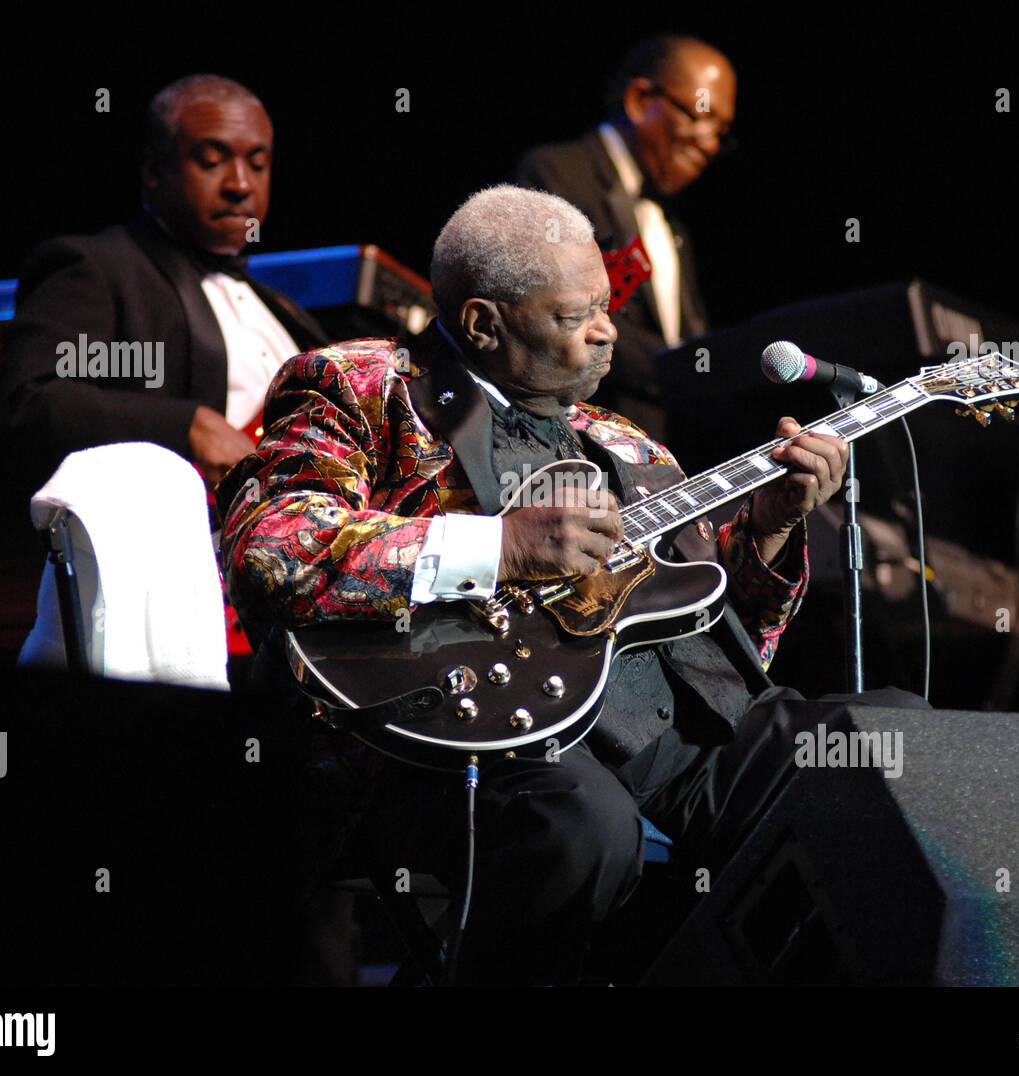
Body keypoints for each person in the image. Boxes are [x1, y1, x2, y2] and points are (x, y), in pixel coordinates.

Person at [217, 186, 919, 985]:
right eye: (574, 315)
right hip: (453, 740)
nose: (607, 330)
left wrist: (771, 527)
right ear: (484, 323)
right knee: (580, 823)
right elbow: (270, 551)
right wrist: (502, 546)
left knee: (893, 746)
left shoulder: (625, 443)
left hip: (670, 740)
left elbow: (731, 638)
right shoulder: (365, 387)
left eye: (606, 306)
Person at [0, 74, 327, 496]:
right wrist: (187, 424)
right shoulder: (98, 267)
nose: (240, 184)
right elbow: (32, 404)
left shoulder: (281, 308)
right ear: (154, 169)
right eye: (211, 160)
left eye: (258, 164)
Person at [513, 35, 735, 436]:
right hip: (572, 446)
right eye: (701, 116)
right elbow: (557, 316)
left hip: (650, 453)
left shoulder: (672, 222)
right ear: (639, 100)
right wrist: (678, 370)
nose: (710, 143)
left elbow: (691, 337)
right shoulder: (556, 173)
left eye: (721, 131)